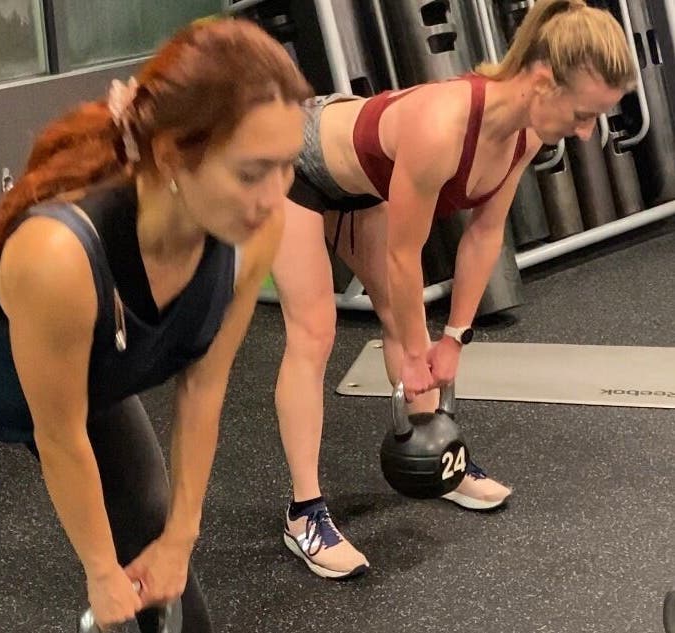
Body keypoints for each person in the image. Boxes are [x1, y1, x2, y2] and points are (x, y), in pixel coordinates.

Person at [0, 18, 311, 632]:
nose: (274, 195)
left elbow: (202, 389)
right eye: (252, 172)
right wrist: (100, 570)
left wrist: (181, 536)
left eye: (287, 166)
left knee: (162, 554)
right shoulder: (60, 256)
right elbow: (61, 437)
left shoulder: (254, 233)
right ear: (174, 154)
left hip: (79, 376)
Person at [272, 0, 636, 579]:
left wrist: (454, 340)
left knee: (398, 313)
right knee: (314, 331)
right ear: (542, 82)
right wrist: (418, 355)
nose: (588, 132)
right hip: (292, 157)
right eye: (584, 113)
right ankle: (304, 514)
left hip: (361, 175)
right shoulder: (443, 126)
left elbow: (484, 236)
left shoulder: (524, 136)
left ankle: (436, 456)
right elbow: (402, 252)